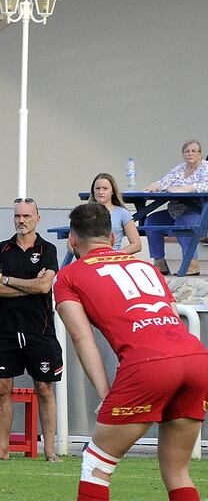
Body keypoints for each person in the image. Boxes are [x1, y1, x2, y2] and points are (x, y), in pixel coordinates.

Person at [55, 202, 208, 501]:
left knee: (97, 463)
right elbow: (169, 317)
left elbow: (81, 339)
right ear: (112, 238)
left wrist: (105, 394)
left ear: (73, 239)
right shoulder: (146, 266)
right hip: (197, 359)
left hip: (150, 365)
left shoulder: (69, 276)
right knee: (177, 472)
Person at [0, 198, 62, 461]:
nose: (22, 220)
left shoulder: (48, 249)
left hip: (39, 330)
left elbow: (44, 287)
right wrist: (27, 284)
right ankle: (2, 448)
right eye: (18, 216)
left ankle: (50, 450)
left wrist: (9, 281)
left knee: (44, 388)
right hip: (6, 330)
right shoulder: (2, 249)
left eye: (27, 216)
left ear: (37, 218)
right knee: (2, 387)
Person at [143, 139, 208, 276]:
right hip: (175, 211)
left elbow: (205, 186)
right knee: (151, 222)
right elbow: (164, 182)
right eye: (187, 151)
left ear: (200, 154)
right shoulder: (179, 168)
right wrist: (155, 186)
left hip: (199, 211)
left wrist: (185, 189)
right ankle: (159, 262)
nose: (190, 154)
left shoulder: (205, 167)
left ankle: (191, 264)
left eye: (193, 151)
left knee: (181, 223)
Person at [87, 173, 141, 255]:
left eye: (105, 188)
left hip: (113, 258)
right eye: (98, 188)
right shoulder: (84, 212)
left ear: (112, 191)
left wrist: (114, 254)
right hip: (89, 259)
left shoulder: (122, 213)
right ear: (93, 190)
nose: (101, 192)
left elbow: (136, 245)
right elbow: (71, 243)